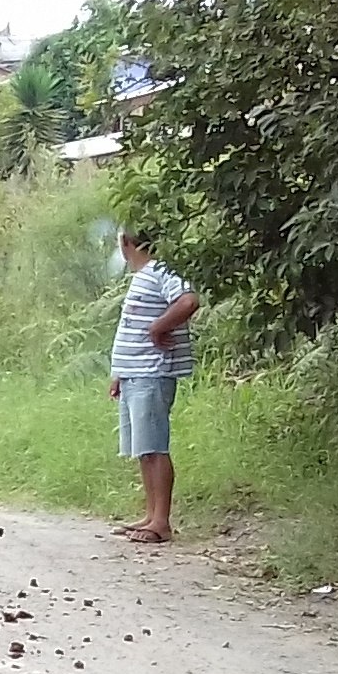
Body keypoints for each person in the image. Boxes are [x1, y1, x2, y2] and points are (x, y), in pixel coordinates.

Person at [110, 228, 202, 543]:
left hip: (152, 372)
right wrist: (119, 372)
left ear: (126, 243)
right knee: (143, 449)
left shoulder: (162, 270)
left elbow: (188, 301)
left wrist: (158, 327)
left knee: (155, 446)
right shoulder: (143, 276)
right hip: (134, 373)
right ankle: (150, 515)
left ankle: (161, 521)